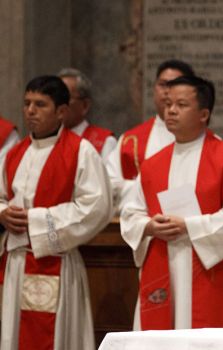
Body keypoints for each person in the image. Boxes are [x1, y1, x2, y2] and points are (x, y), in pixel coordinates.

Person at [121, 75, 223, 330]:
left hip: (208, 267)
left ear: (203, 114)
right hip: (161, 264)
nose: (171, 110)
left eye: (181, 105)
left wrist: (189, 226)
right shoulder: (152, 164)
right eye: (169, 103)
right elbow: (130, 213)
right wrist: (148, 226)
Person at [0, 76, 112, 350]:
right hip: (16, 263)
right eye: (27, 103)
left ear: (61, 111)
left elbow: (96, 208)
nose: (30, 111)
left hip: (57, 264)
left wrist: (35, 220)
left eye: (40, 104)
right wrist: (2, 213)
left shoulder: (80, 151)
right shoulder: (15, 153)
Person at [107, 59, 195, 213]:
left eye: (175, 84)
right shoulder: (130, 142)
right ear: (154, 88)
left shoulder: (208, 144)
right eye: (163, 84)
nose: (168, 91)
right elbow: (109, 187)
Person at [58, 68, 117, 162]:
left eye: (65, 98)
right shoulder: (46, 140)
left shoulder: (104, 141)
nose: (59, 104)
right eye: (55, 97)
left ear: (85, 105)